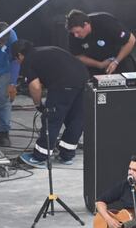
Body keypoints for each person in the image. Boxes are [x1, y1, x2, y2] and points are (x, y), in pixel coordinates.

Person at [11, 39, 88, 167]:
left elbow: (35, 87)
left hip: (64, 84)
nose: (18, 63)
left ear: (19, 55)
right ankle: (67, 154)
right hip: (83, 78)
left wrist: (39, 105)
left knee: (51, 119)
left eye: (16, 60)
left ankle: (40, 156)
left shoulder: (28, 61)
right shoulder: (48, 49)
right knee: (77, 118)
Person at [66, 9, 136, 75]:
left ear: (86, 24)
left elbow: (131, 40)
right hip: (95, 65)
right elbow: (78, 56)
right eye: (73, 33)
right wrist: (99, 64)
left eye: (78, 32)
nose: (75, 35)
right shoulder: (73, 34)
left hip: (120, 59)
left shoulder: (105, 22)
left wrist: (116, 61)